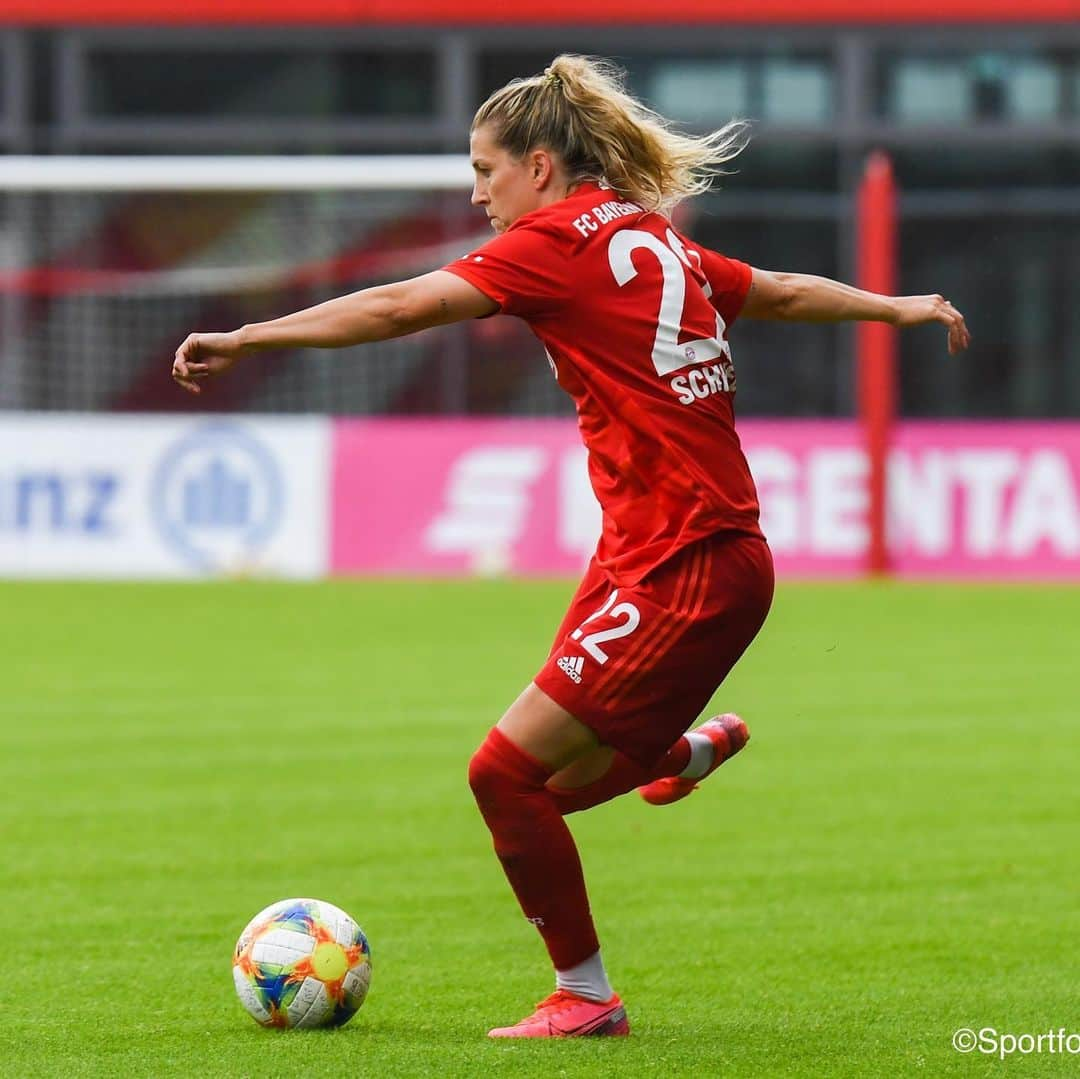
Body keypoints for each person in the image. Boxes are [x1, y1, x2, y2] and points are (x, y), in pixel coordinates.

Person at [173, 54, 970, 1039]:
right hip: (656, 552)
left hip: (687, 561)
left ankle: (587, 994)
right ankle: (676, 749)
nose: (477, 194)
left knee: (501, 776)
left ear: (540, 166)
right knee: (548, 784)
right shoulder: (650, 235)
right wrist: (894, 307)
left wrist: (251, 336)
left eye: (484, 171)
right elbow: (783, 291)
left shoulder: (552, 242)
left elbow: (398, 307)